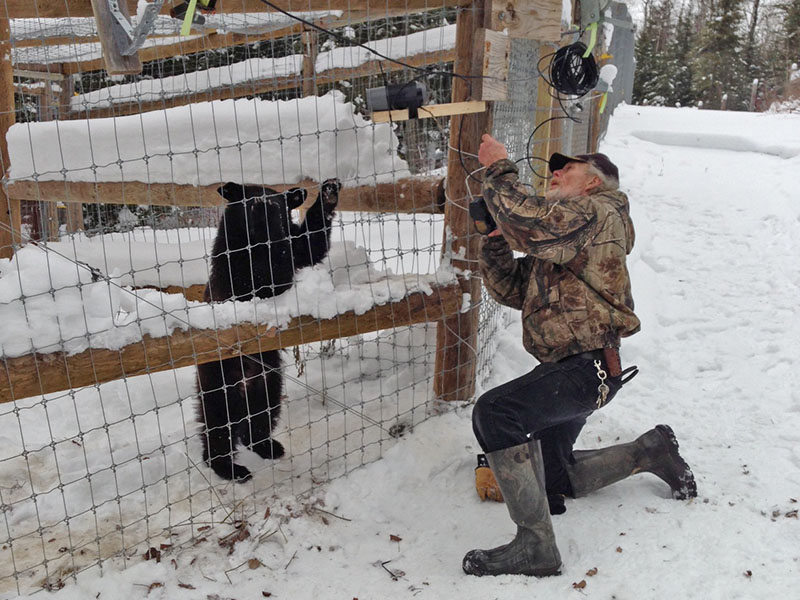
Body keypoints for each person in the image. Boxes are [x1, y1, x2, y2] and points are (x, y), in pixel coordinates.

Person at [463, 134, 697, 577]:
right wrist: (495, 240)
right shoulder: (570, 236)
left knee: (494, 413)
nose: (554, 172)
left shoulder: (597, 211)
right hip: (580, 370)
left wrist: (498, 168)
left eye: (566, 168)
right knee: (554, 475)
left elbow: (527, 220)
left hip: (586, 369)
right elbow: (513, 290)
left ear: (593, 183)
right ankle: (649, 451)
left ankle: (535, 547)